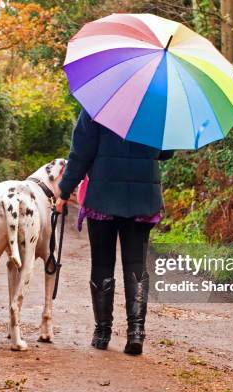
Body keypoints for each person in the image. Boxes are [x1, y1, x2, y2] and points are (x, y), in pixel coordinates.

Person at [56, 109, 174, 355]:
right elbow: (165, 153)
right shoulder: (158, 108)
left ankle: (102, 333)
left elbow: (81, 154)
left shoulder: (98, 104)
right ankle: (136, 333)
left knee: (101, 263)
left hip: (103, 195)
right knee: (136, 264)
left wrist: (64, 190)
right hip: (143, 197)